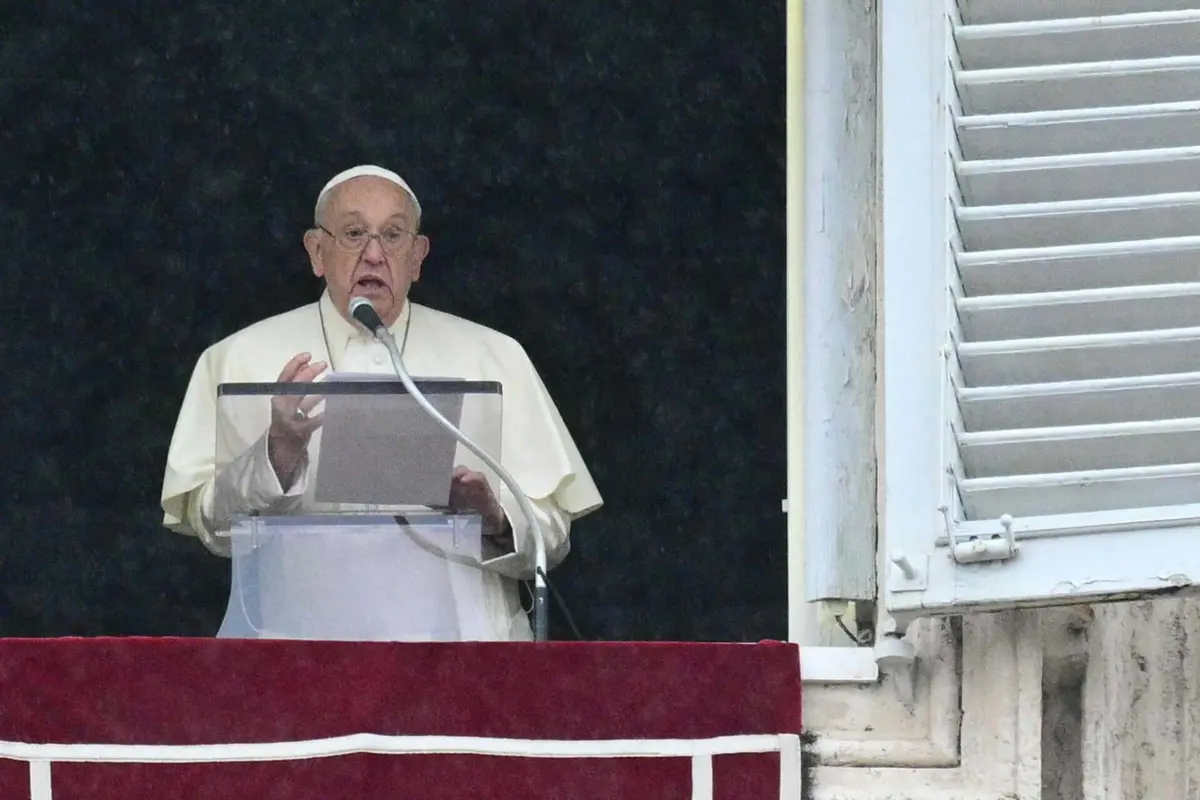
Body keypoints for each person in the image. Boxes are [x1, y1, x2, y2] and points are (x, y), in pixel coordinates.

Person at [160, 165, 603, 641]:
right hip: (296, 658)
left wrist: (494, 516)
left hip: (460, 664)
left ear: (417, 256)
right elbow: (214, 530)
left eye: (393, 235)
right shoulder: (237, 359)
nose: (374, 254)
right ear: (316, 251)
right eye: (353, 233)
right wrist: (277, 453)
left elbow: (551, 539)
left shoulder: (495, 357)